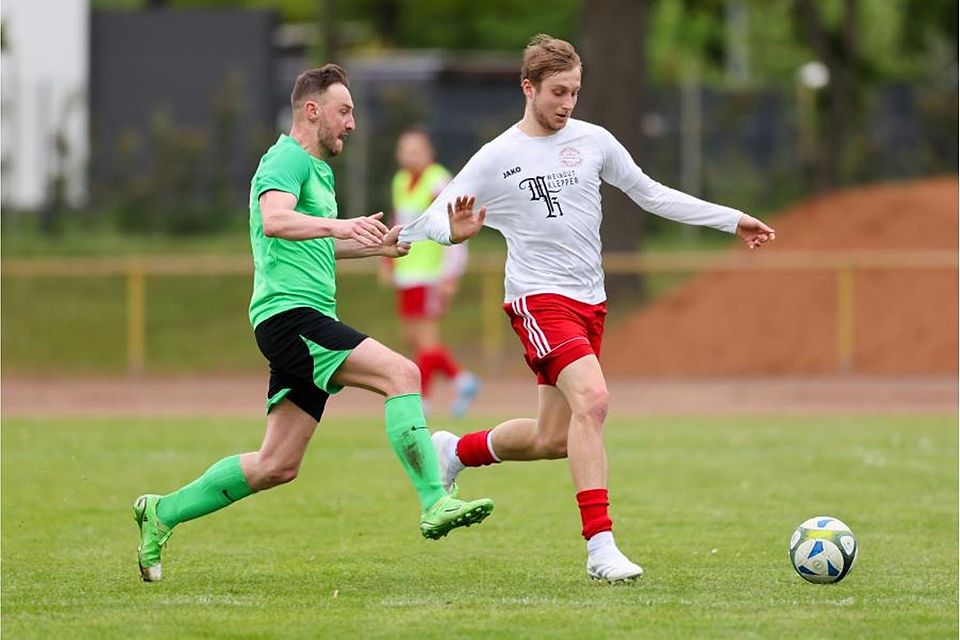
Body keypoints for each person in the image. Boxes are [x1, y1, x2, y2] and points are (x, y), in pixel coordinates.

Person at [399, 35, 775, 583]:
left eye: (574, 91)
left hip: (589, 304)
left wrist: (730, 218)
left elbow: (652, 193)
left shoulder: (593, 140)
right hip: (537, 299)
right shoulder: (498, 156)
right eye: (557, 92)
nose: (567, 103)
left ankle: (454, 451)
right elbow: (429, 220)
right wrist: (451, 233)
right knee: (594, 401)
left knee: (553, 438)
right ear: (528, 88)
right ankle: (601, 548)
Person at [132, 65, 493, 583]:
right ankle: (435, 499)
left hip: (302, 319)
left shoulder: (317, 172)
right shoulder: (285, 158)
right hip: (290, 316)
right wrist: (341, 224)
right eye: (344, 111)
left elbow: (315, 239)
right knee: (403, 374)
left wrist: (378, 244)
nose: (351, 124)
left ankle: (159, 512)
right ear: (312, 110)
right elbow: (275, 220)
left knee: (276, 465)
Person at [381, 128, 479, 417]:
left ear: (429, 152)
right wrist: (387, 260)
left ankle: (421, 401)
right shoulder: (400, 181)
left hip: (431, 274)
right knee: (412, 338)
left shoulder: (438, 180)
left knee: (425, 340)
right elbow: (399, 221)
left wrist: (451, 275)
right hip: (407, 271)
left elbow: (456, 228)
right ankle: (463, 381)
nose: (410, 154)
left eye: (416, 149)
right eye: (405, 149)